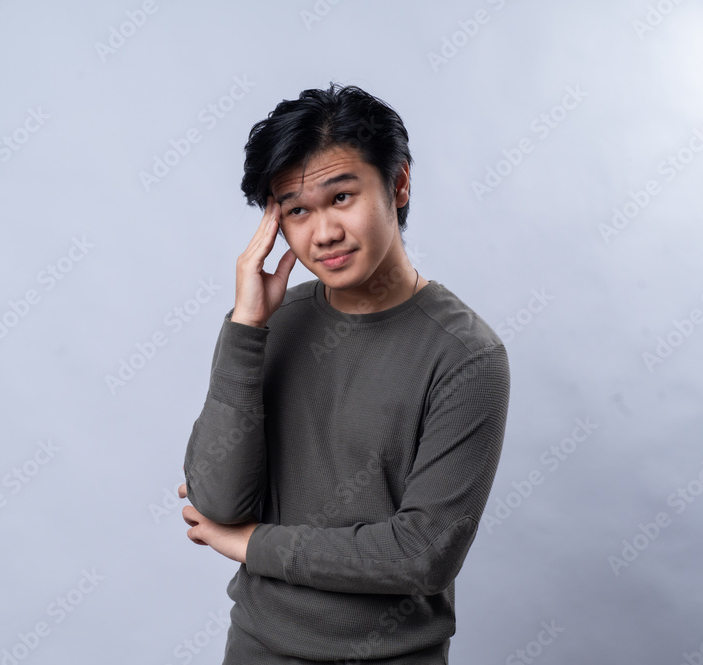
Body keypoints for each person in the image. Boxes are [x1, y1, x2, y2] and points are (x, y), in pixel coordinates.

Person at [178, 82, 511, 664]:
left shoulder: (465, 354)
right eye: (297, 210)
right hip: (256, 648)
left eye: (341, 198)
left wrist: (250, 544)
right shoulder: (271, 325)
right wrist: (246, 324)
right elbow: (217, 500)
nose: (323, 233)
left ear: (399, 183)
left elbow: (420, 553)